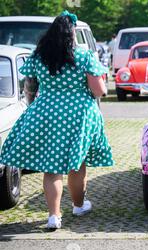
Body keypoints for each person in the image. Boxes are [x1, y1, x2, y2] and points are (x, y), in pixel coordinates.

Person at [0, 11, 114, 229]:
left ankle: (54, 216)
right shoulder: (84, 56)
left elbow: (30, 88)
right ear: (72, 34)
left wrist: (36, 108)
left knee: (51, 168)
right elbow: (98, 91)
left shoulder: (39, 57)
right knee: (76, 163)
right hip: (79, 114)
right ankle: (79, 206)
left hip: (45, 112)